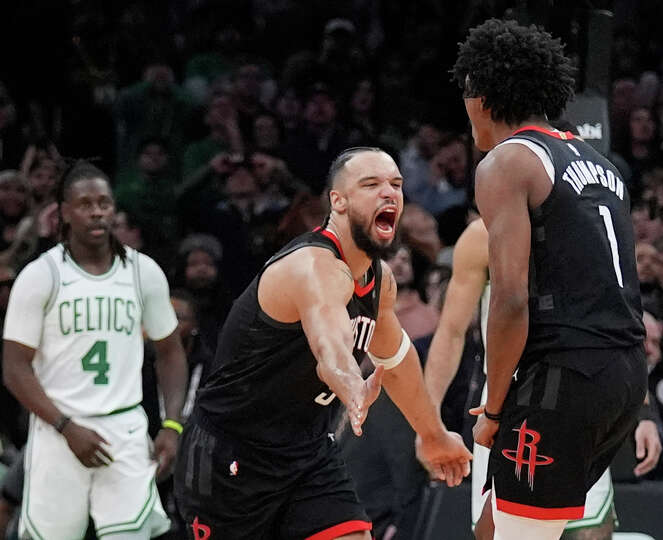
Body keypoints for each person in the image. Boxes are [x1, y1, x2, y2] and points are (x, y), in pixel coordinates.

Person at [174, 147, 471, 539]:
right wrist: (350, 384)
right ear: (338, 200)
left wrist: (433, 435)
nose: (389, 193)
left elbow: (396, 361)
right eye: (371, 184)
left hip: (307, 453)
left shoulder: (379, 280)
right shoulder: (312, 268)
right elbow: (329, 347)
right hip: (232, 458)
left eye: (396, 185)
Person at [454, 19, 648, 540]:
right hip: (625, 372)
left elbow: (512, 298)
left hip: (565, 375)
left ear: (480, 94)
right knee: (494, 528)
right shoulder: (601, 164)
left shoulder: (507, 162)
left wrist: (493, 410)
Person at [424, 218, 662, 540]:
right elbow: (451, 332)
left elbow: (619, 326)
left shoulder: (585, 226)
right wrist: (429, 422)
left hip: (577, 392)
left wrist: (644, 413)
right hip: (507, 401)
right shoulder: (482, 236)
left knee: (588, 530)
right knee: (495, 533)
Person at [2, 161, 188, 539]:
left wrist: (172, 423)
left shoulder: (143, 271)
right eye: (85, 203)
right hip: (58, 430)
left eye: (104, 202)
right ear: (65, 212)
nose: (97, 211)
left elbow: (170, 352)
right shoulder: (41, 275)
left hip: (124, 430)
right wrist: (66, 427)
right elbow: (14, 368)